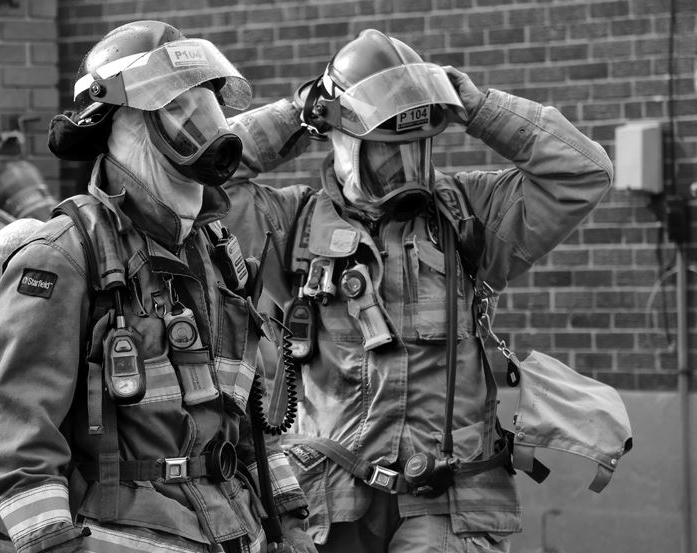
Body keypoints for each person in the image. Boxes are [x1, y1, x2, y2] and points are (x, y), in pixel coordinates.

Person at [220, 29, 613, 553]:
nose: (406, 173)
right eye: (386, 154)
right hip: (329, 501)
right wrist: (299, 113)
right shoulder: (290, 224)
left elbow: (583, 173)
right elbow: (203, 179)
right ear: (341, 142)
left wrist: (479, 108)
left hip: (450, 502)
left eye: (416, 151)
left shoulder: (469, 213)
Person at [0, 20, 316, 553]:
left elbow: (251, 421)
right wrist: (54, 545)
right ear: (119, 126)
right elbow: (20, 435)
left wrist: (291, 526)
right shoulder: (63, 256)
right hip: (131, 536)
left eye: (203, 109)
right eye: (175, 112)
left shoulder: (215, 253)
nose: (202, 130)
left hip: (238, 531)